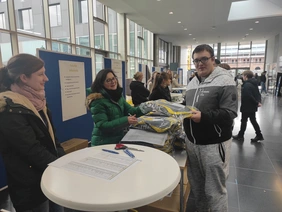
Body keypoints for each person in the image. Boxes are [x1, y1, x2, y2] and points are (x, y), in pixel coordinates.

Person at [0, 54, 65, 212]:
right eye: (41, 74)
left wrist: (63, 161)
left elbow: (52, 138)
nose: (46, 78)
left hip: (50, 175)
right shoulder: (9, 109)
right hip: (30, 187)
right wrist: (62, 166)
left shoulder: (38, 102)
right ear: (24, 77)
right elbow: (30, 149)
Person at [183, 44, 238, 211]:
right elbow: (188, 106)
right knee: (198, 189)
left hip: (214, 145)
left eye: (204, 59)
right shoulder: (193, 82)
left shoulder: (225, 80)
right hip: (192, 144)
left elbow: (230, 113)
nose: (200, 63)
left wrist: (203, 117)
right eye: (196, 60)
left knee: (214, 191)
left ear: (213, 59)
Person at [86, 69, 151, 146]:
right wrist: (126, 120)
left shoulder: (118, 96)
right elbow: (103, 126)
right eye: (108, 80)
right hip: (102, 143)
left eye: (113, 78)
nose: (113, 81)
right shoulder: (97, 100)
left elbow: (131, 110)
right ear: (101, 84)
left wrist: (147, 107)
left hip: (116, 140)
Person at [233, 70, 264, 142]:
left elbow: (248, 95)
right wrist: (258, 102)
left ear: (246, 76)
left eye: (243, 76)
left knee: (244, 121)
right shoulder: (254, 83)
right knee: (252, 120)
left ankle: (241, 135)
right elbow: (257, 94)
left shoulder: (247, 85)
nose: (242, 77)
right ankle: (258, 135)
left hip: (247, 106)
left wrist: (256, 103)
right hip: (252, 106)